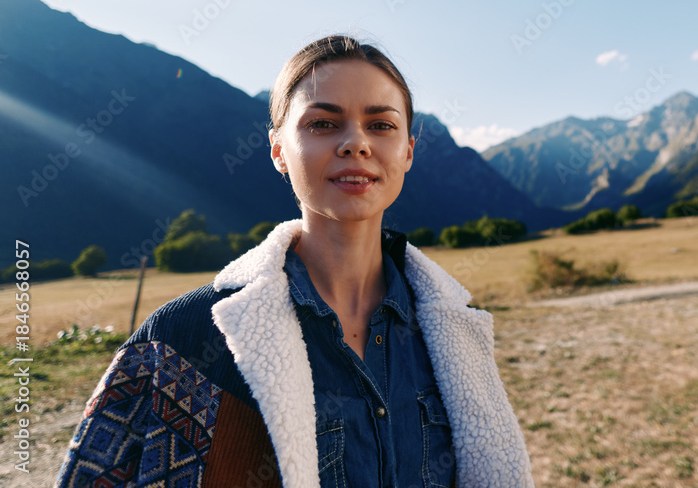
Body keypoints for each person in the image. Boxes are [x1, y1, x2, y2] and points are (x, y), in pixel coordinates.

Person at [55, 35, 534, 487]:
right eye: (323, 123)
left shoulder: (453, 332)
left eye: (381, 125)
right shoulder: (184, 338)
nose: (356, 143)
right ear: (279, 151)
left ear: (407, 151)